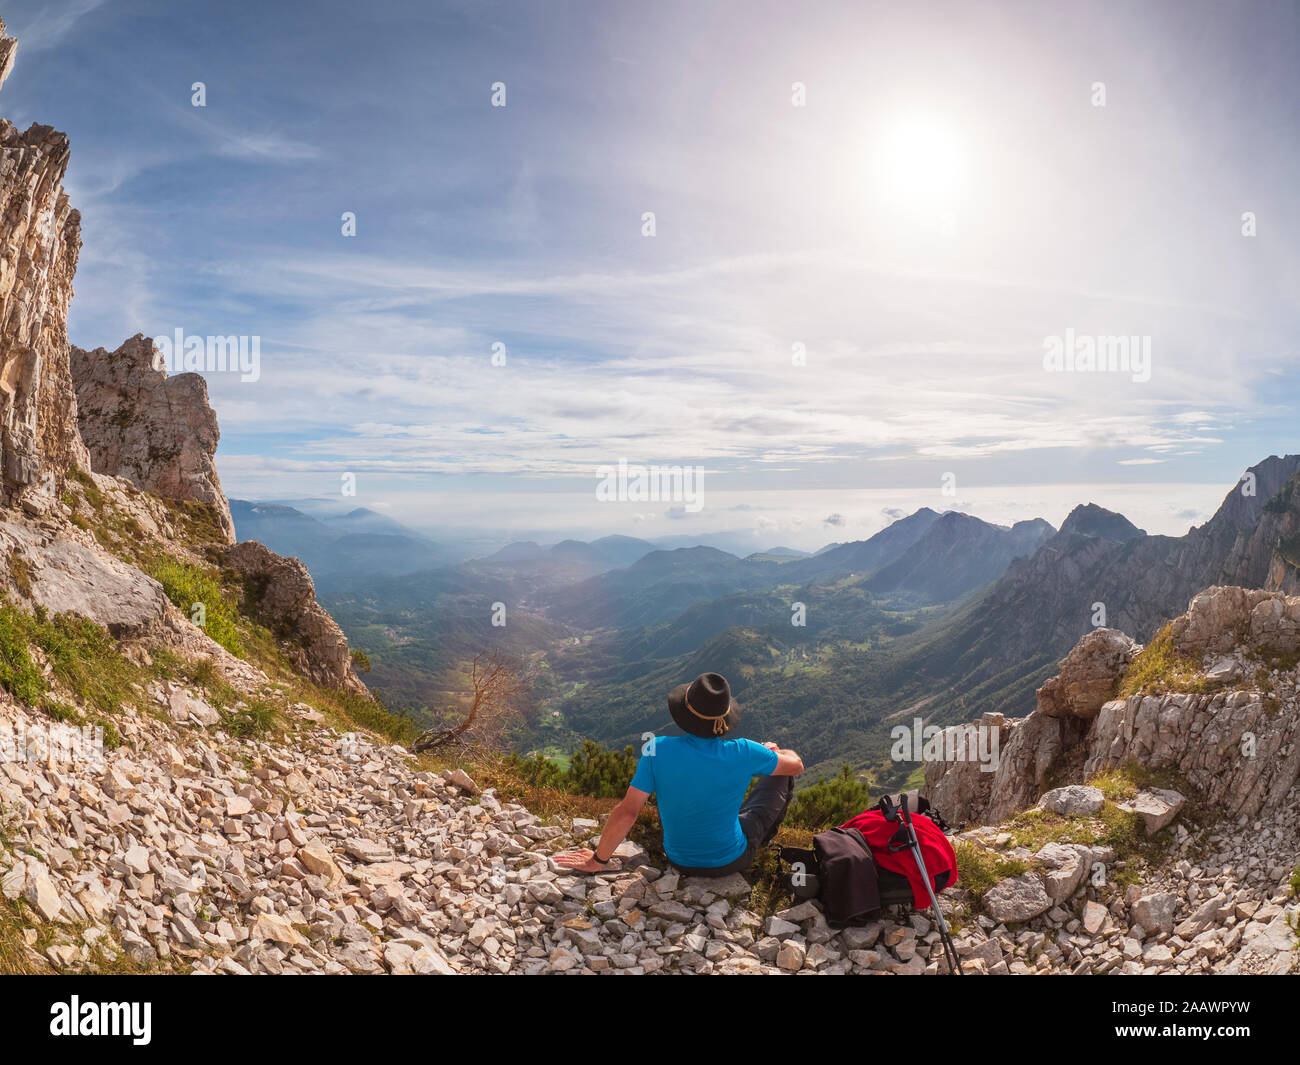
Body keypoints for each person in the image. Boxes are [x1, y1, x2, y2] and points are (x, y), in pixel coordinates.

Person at [553, 672, 803, 876]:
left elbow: (627, 812)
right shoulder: (745, 752)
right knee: (781, 775)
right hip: (731, 860)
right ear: (725, 718)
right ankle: (763, 842)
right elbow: (796, 765)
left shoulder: (656, 749)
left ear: (684, 714)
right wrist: (771, 750)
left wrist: (598, 860)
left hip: (679, 859)